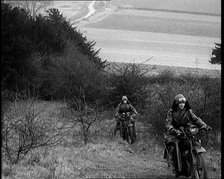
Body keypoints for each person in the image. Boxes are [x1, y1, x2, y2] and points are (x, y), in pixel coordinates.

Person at [163, 94, 210, 176]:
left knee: (193, 141)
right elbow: (168, 123)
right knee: (175, 145)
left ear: (185, 103)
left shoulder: (188, 111)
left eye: (183, 103)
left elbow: (196, 119)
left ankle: (192, 160)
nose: (182, 104)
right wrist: (172, 129)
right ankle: (176, 167)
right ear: (176, 104)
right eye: (180, 103)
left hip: (185, 131)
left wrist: (204, 125)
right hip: (174, 132)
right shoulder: (171, 112)